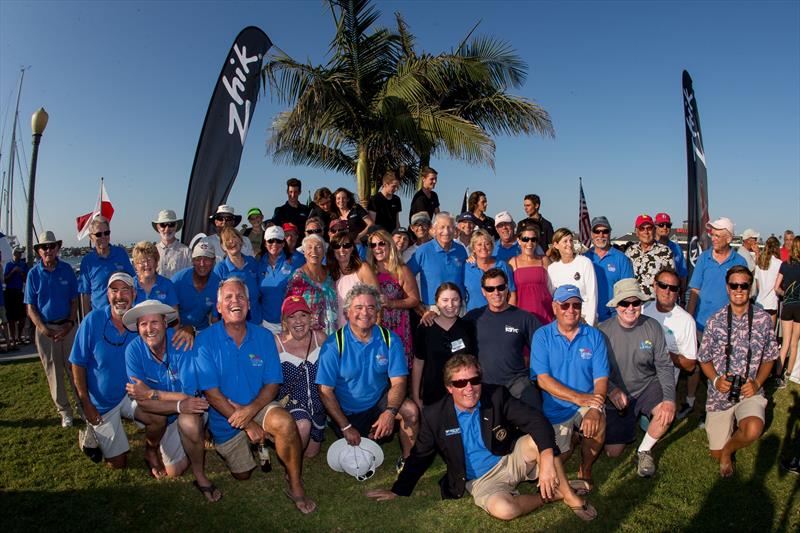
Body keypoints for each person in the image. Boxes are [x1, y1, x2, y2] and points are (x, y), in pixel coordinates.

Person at [367, 354, 596, 522]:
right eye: (460, 383)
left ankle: (569, 496)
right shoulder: (435, 415)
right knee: (505, 511)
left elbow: (536, 421)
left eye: (474, 380)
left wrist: (546, 459)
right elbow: (421, 455)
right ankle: (551, 495)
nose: (469, 388)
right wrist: (399, 489)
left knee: (542, 443)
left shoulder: (495, 395)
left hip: (509, 457)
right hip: (480, 480)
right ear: (449, 388)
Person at [195, 278, 315, 513]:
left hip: (258, 406)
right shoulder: (204, 340)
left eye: (240, 296)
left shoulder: (263, 337)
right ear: (218, 307)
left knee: (285, 422)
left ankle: (295, 483)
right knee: (243, 475)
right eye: (228, 297)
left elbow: (272, 383)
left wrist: (250, 412)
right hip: (225, 416)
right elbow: (211, 393)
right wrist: (247, 423)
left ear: (249, 305)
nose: (235, 301)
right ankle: (254, 441)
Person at [121, 300, 221, 501]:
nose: (149, 329)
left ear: (165, 323)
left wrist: (151, 393)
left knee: (190, 422)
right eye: (143, 324)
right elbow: (144, 401)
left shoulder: (181, 342)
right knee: (152, 414)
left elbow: (189, 396)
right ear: (138, 328)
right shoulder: (133, 350)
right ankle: (151, 449)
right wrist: (169, 402)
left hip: (184, 409)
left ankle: (200, 475)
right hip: (160, 410)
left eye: (154, 322)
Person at [316, 284, 419, 466]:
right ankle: (364, 434)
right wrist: (346, 427)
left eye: (371, 307)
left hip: (378, 402)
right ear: (347, 312)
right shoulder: (333, 345)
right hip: (347, 413)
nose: (365, 312)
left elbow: (400, 382)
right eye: (358, 307)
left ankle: (408, 461)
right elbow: (325, 391)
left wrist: (389, 412)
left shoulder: (390, 339)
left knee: (410, 411)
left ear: (378, 312)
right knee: (360, 462)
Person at [697, 265, 778, 477]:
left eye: (744, 285)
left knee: (752, 429)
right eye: (734, 285)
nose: (739, 289)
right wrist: (716, 381)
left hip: (749, 391)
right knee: (713, 452)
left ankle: (729, 450)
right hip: (720, 393)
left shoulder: (762, 320)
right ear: (727, 287)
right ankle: (725, 439)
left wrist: (757, 384)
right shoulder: (715, 321)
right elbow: (703, 359)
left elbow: (770, 357)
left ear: (751, 288)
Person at [531, 285, 609, 491]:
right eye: (565, 305)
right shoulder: (542, 336)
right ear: (555, 307)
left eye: (576, 305)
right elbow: (543, 380)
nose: (571, 310)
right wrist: (579, 398)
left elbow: (601, 379)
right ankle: (573, 439)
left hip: (586, 403)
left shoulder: (594, 336)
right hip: (556, 409)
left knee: (598, 422)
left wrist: (594, 408)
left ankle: (586, 468)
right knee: (545, 470)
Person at [599, 279, 675, 478]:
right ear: (616, 306)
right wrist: (611, 390)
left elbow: (664, 366)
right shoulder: (601, 331)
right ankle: (633, 420)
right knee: (612, 453)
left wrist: (669, 399)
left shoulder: (653, 327)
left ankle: (644, 450)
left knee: (666, 414)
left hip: (646, 386)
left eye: (636, 303)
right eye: (625, 303)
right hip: (616, 392)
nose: (631, 308)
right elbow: (595, 371)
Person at [70, 273, 138, 468]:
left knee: (156, 416)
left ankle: (152, 449)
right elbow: (77, 363)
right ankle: (90, 433)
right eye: (114, 290)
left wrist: (188, 329)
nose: (120, 296)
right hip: (102, 403)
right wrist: (86, 403)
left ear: (134, 293)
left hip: (132, 396)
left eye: (125, 290)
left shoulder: (140, 321)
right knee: (118, 464)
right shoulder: (92, 320)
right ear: (107, 295)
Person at [686, 217, 748, 419]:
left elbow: (745, 294)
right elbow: (694, 290)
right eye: (712, 234)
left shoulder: (740, 262)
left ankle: (719, 409)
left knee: (721, 369)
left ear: (729, 238)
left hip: (728, 328)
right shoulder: (704, 258)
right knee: (696, 364)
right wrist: (689, 318)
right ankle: (689, 401)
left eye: (718, 235)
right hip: (700, 324)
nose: (713, 238)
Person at [464, 268, 542, 409]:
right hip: (485, 386)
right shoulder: (473, 318)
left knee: (537, 416)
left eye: (500, 287)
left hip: (518, 383)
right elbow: (449, 329)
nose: (496, 293)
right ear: (483, 291)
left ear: (507, 288)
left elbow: (546, 347)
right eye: (490, 289)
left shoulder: (524, 317)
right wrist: (431, 316)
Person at [25, 231, 80, 427]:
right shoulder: (33, 274)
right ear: (39, 251)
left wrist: (69, 324)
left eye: (51, 246)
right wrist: (44, 329)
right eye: (44, 247)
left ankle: (82, 406)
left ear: (57, 248)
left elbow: (74, 301)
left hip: (67, 327)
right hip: (45, 330)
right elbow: (30, 307)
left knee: (75, 369)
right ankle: (65, 412)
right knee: (53, 372)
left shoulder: (67, 270)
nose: (48, 250)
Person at [274, 296, 327, 458]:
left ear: (310, 318)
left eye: (303, 315)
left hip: (319, 405)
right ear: (284, 321)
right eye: (292, 316)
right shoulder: (276, 343)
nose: (298, 321)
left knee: (311, 454)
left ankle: (292, 446)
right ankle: (292, 472)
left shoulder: (320, 338)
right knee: (303, 425)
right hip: (291, 402)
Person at [642, 268, 698, 419]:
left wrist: (663, 352)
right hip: (638, 375)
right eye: (662, 285)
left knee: (657, 421)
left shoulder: (686, 321)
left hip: (662, 383)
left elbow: (690, 365)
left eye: (673, 288)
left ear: (678, 292)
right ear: (654, 286)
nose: (667, 291)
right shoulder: (642, 311)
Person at [412, 283, 476, 408]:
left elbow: (474, 361)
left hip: (463, 394)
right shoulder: (425, 328)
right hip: (433, 395)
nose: (450, 305)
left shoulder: (468, 327)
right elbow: (418, 363)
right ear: (437, 302)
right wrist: (416, 396)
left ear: (461, 302)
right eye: (445, 300)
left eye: (455, 300)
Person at [366, 229, 420, 368]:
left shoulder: (402, 270)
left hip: (398, 328)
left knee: (397, 373)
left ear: (389, 245)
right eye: (373, 245)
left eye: (381, 244)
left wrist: (391, 303)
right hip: (375, 327)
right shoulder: (368, 271)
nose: (377, 248)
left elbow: (414, 299)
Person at [407, 212, 468, 309]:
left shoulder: (460, 250)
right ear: (434, 230)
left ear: (454, 230)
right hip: (433, 308)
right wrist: (416, 303)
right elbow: (406, 276)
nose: (446, 231)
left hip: (458, 306)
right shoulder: (423, 250)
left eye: (450, 227)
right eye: (442, 227)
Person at [78, 216, 135, 312]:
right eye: (99, 234)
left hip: (122, 313)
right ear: (91, 237)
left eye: (106, 233)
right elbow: (85, 295)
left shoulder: (121, 254)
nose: (103, 237)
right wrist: (87, 319)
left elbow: (133, 282)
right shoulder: (87, 262)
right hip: (99, 315)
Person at [584, 216, 634, 322]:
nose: (601, 235)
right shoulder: (584, 259)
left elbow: (628, 292)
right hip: (589, 317)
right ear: (591, 234)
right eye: (597, 231)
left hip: (614, 317)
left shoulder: (622, 259)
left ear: (610, 233)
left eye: (605, 231)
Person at [286, 234, 338, 335]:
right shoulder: (298, 277)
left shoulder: (331, 273)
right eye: (309, 247)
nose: (314, 251)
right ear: (304, 253)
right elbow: (290, 308)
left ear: (324, 252)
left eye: (318, 247)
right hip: (310, 336)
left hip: (334, 333)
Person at [327, 231, 379, 327]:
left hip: (363, 329)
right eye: (337, 246)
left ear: (352, 249)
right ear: (333, 250)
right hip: (338, 331)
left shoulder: (363, 269)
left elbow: (377, 301)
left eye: (346, 245)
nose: (341, 250)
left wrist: (375, 331)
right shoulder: (330, 274)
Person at [548, 228, 598, 326]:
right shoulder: (552, 269)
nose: (569, 244)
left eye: (571, 240)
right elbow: (552, 297)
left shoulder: (585, 263)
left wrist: (589, 324)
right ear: (556, 245)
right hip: (563, 320)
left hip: (584, 318)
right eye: (565, 241)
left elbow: (592, 295)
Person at [213, 227, 261, 325]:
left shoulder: (252, 262)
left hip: (256, 322)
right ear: (223, 246)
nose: (231, 241)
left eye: (234, 237)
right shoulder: (220, 268)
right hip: (232, 325)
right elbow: (215, 299)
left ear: (241, 240)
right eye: (227, 239)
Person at [259, 226, 302, 333]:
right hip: (265, 324)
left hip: (290, 323)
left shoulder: (297, 260)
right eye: (270, 241)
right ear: (265, 243)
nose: (274, 244)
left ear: (283, 243)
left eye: (278, 241)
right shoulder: (259, 264)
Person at [509, 221, 553, 325]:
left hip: (546, 316)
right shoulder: (512, 263)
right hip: (522, 317)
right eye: (525, 239)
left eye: (533, 239)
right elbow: (510, 294)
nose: (529, 243)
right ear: (519, 241)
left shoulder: (545, 260)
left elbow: (554, 287)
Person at [172, 238, 220, 333]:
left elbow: (215, 320)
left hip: (203, 331)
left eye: (207, 259)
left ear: (214, 261)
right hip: (178, 330)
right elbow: (169, 314)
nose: (202, 264)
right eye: (198, 259)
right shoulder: (178, 280)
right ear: (192, 260)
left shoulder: (218, 284)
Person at [464, 229, 516, 312]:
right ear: (473, 248)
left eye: (487, 244)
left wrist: (509, 316)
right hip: (473, 319)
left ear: (492, 246)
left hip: (499, 317)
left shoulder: (502, 265)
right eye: (479, 244)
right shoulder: (466, 268)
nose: (483, 247)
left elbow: (512, 294)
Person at [625, 214, 675, 299]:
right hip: (635, 305)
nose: (646, 232)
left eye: (649, 228)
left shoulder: (665, 252)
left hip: (656, 305)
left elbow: (671, 282)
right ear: (637, 232)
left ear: (654, 230)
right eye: (642, 229)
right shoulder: (630, 252)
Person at [775, 236, 800, 385]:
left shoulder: (785, 265)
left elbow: (776, 288)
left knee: (785, 342)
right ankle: (789, 373)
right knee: (794, 343)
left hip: (787, 305)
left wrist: (787, 294)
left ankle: (778, 374)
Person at [132, 241, 179, 312]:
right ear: (135, 265)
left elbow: (175, 315)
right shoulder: (129, 285)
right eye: (142, 261)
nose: (146, 264)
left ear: (156, 262)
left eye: (149, 259)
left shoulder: (167, 285)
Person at [152, 209, 191, 279]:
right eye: (163, 225)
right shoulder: (151, 251)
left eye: (171, 225)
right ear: (158, 228)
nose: (167, 229)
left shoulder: (187, 252)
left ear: (176, 227)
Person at [654, 213, 688, 289]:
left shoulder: (677, 248)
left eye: (668, 225)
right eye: (661, 225)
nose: (665, 227)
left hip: (672, 292)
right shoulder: (651, 246)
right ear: (655, 227)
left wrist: (682, 298)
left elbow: (683, 275)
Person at [754, 236, 782, 328]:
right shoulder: (779, 263)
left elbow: (758, 285)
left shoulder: (759, 263)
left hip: (759, 302)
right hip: (772, 303)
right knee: (770, 335)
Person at [4, 246, 28, 345]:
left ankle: (19, 337)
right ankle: (13, 338)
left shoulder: (23, 264)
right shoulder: (9, 265)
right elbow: (5, 279)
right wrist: (13, 271)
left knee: (22, 317)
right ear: (14, 254)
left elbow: (26, 279)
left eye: (21, 253)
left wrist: (21, 273)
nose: (20, 254)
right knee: (11, 318)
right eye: (18, 253)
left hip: (20, 292)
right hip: (10, 292)